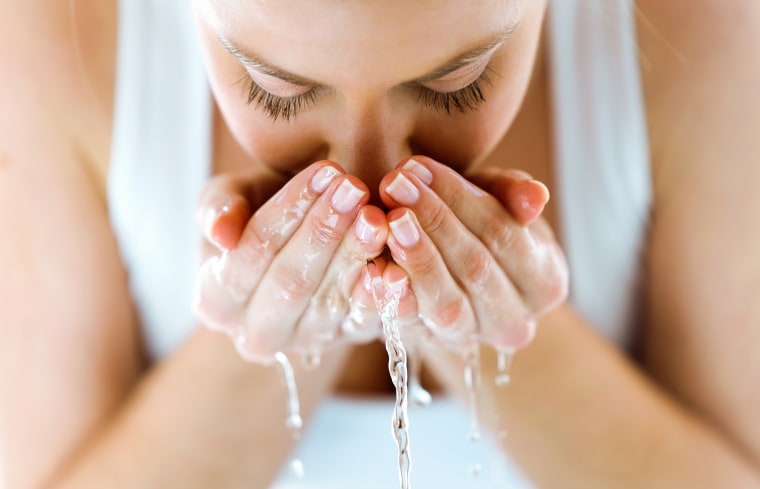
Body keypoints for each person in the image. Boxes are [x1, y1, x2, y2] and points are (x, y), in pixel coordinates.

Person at [2, 0, 759, 487]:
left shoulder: (705, 31)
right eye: (277, 89)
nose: (368, 178)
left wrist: (492, 325)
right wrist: (274, 339)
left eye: (457, 84)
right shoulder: (53, 40)